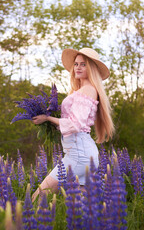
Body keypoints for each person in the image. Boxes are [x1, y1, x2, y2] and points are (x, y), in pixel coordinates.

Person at [31, 47, 114, 202]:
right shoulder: (82, 90)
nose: (78, 67)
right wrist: (53, 122)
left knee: (38, 197)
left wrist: (47, 118)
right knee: (83, 209)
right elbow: (73, 123)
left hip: (79, 155)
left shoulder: (88, 89)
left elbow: (74, 125)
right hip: (79, 152)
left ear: (91, 68)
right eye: (76, 64)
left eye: (83, 64)